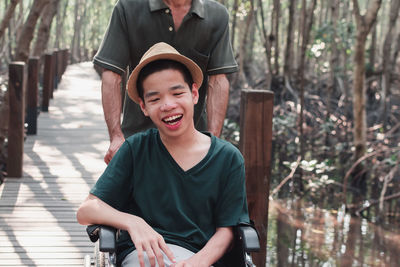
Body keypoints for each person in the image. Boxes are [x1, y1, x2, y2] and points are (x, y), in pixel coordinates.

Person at [77, 43, 249, 267]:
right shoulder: (135, 150)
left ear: (194, 94)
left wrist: (197, 263)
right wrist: (132, 222)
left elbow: (227, 230)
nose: (168, 105)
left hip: (202, 258)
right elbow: (86, 211)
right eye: (155, 99)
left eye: (177, 93)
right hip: (143, 257)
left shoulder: (227, 158)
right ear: (144, 107)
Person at [93, 0, 238, 164]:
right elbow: (112, 74)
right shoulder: (128, 8)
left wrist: (214, 143)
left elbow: (218, 80)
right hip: (137, 140)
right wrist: (116, 137)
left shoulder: (216, 15)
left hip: (195, 142)